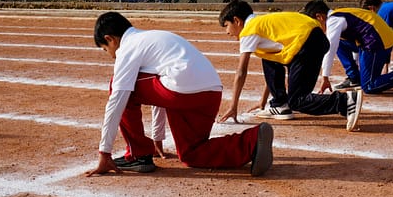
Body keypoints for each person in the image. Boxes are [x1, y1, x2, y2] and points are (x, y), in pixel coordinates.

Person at [85, 11, 274, 177]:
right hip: (211, 92)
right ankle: (252, 141)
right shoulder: (152, 37)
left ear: (111, 39)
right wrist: (157, 136)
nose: (111, 55)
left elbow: (118, 100)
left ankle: (138, 155)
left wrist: (104, 153)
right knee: (192, 152)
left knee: (118, 86)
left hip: (181, 91)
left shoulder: (128, 47)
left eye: (106, 49)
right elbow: (157, 88)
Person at [218, 0, 363, 131]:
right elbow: (272, 61)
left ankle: (345, 101)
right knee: (268, 57)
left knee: (297, 101)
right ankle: (280, 104)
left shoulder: (250, 29)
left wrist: (233, 107)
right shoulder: (262, 23)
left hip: (306, 43)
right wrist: (263, 101)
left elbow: (241, 71)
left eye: (226, 26)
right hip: (314, 38)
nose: (227, 32)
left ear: (236, 21)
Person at [302, 0, 393, 97]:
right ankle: (354, 77)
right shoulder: (339, 14)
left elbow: (330, 48)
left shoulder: (333, 21)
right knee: (340, 42)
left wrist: (325, 77)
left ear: (319, 17)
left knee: (369, 86)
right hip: (374, 39)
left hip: (376, 42)